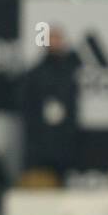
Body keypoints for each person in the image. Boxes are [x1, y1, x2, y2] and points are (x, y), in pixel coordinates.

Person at [19, 26, 80, 186]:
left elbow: (73, 109)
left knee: (61, 186)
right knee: (38, 184)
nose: (55, 43)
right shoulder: (34, 74)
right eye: (52, 39)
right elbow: (27, 108)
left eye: (58, 39)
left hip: (63, 144)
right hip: (39, 144)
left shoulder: (70, 74)